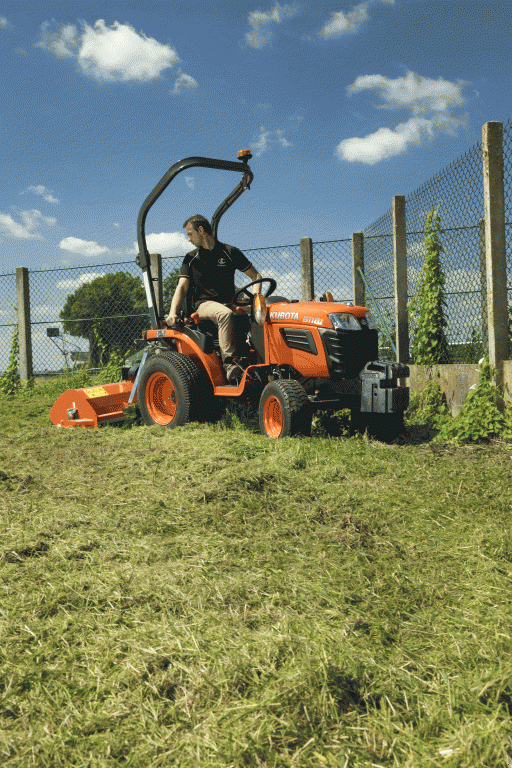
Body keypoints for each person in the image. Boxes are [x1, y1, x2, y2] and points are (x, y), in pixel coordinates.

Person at [165, 215, 262, 384]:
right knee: (225, 314)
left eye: (190, 234)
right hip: (204, 305)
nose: (188, 239)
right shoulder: (191, 258)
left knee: (256, 316)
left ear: (201, 231)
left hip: (229, 302)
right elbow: (182, 287)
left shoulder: (230, 252)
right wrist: (172, 313)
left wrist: (255, 299)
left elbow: (256, 276)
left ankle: (255, 358)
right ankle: (231, 365)